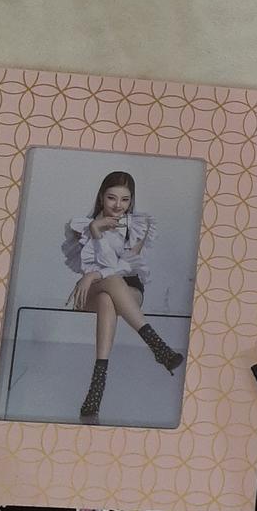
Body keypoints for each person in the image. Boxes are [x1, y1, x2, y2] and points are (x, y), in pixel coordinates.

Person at [62, 171, 183, 421]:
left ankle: (96, 387)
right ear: (101, 197)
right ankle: (158, 347)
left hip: (129, 289)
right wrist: (95, 230)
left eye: (125, 200)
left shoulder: (137, 225)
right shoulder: (83, 226)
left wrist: (93, 275)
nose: (118, 205)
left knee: (110, 291)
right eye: (112, 198)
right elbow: (105, 265)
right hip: (93, 291)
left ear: (131, 200)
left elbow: (123, 267)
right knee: (107, 290)